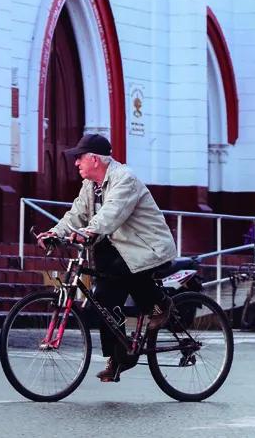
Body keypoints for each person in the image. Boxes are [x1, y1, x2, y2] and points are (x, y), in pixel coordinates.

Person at [37, 134, 177, 383]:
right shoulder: (90, 186)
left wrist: (89, 231)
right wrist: (55, 233)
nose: (76, 163)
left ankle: (160, 305)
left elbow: (113, 212)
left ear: (94, 159)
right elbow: (75, 215)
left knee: (124, 272)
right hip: (116, 248)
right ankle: (118, 355)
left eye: (79, 158)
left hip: (146, 248)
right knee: (101, 298)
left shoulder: (125, 178)